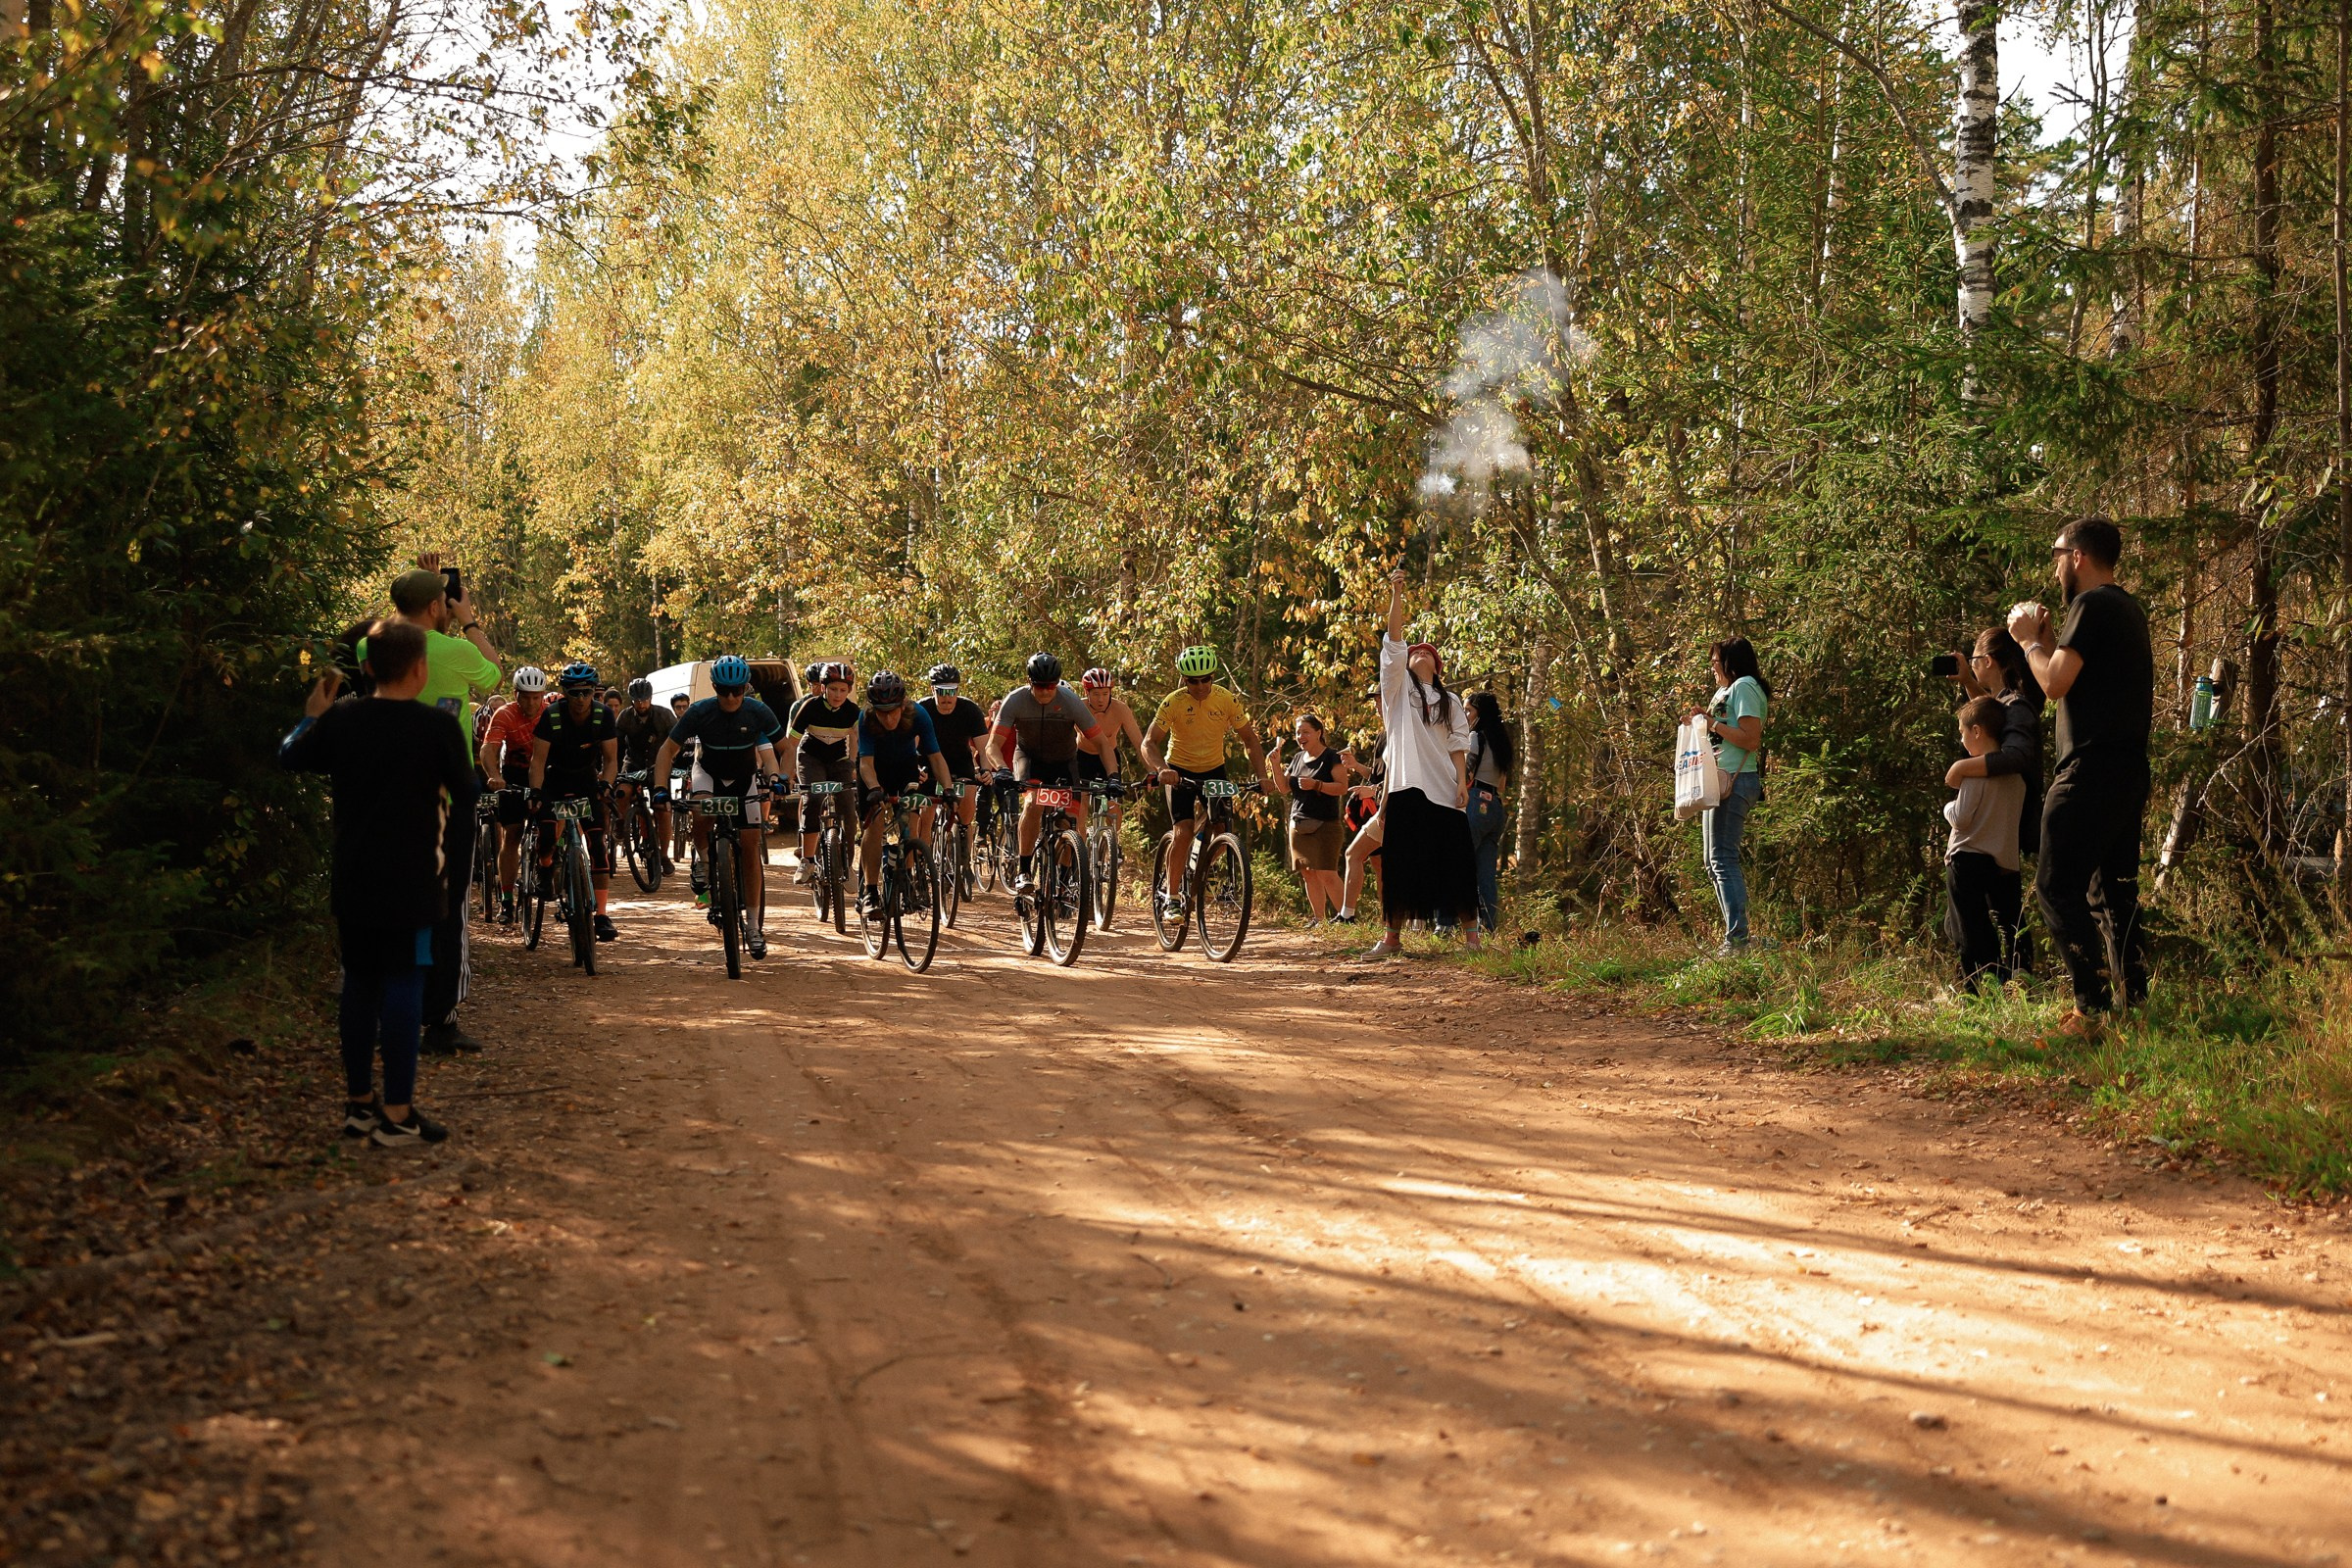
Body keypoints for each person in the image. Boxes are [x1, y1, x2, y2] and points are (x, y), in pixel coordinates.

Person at [279, 619, 473, 1147]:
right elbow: (467, 794)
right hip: (414, 880)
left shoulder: (341, 720)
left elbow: (289, 755)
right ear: (420, 668)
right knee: (405, 981)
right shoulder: (438, 728)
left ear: (365, 667)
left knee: (360, 983)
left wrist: (311, 715)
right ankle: (398, 1113)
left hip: (354, 878)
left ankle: (359, 1104)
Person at [2010, 515, 2154, 1025]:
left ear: (2078, 557)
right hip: (2126, 771)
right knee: (2113, 894)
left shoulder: (2091, 605)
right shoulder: (2128, 609)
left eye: (2057, 556)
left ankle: (2089, 1008)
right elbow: (2072, 676)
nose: (2054, 570)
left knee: (2056, 887)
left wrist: (2027, 642)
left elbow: (2053, 684)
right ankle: (2133, 1007)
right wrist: (2049, 643)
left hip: (2088, 770)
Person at [389, 561, 502, 1054]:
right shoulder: (456, 651)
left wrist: (420, 592)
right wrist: (468, 619)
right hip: (449, 801)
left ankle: (392, 1013)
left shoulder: (375, 647)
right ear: (439, 606)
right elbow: (494, 674)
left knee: (393, 904)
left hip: (391, 799)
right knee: (449, 906)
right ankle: (441, 1020)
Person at [1365, 572, 1480, 955]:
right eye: (1416, 651)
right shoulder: (1397, 691)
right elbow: (1394, 640)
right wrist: (1397, 593)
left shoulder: (1451, 700)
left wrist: (1462, 782)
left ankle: (1472, 940)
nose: (1421, 652)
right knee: (1400, 864)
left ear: (1437, 665)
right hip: (1405, 787)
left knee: (1456, 864)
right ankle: (1391, 939)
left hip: (1445, 790)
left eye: (1428, 652)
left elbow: (1458, 744)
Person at [654, 655, 784, 957]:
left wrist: (781, 778)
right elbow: (666, 751)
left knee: (750, 849)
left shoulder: (757, 711)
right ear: (714, 687)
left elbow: (783, 749)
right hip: (708, 774)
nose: (731, 697)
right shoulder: (699, 712)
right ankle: (703, 859)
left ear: (745, 688)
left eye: (737, 691)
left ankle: (753, 926)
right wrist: (660, 789)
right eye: (724, 691)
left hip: (743, 779)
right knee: (701, 808)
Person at [1141, 646, 1273, 920]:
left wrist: (1262, 776)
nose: (1200, 686)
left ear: (1213, 677)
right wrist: (1162, 769)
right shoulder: (1174, 702)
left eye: (1205, 679)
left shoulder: (1226, 699)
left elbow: (1250, 739)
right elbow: (1149, 743)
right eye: (1193, 681)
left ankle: (1198, 868)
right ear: (1184, 679)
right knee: (1183, 831)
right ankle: (1171, 898)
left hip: (1214, 770)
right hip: (1179, 770)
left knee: (1225, 834)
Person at [986, 653, 1106, 892]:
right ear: (1029, 682)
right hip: (1029, 759)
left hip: (1064, 762)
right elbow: (992, 745)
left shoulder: (1070, 701)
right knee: (1033, 804)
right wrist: (1002, 769)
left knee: (1070, 822)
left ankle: (1062, 881)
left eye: (1050, 686)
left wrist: (1112, 777)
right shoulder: (1015, 700)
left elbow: (1102, 742)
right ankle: (1024, 871)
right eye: (1040, 686)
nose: (1045, 691)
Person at [528, 662, 621, 942]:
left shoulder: (603, 715)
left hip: (586, 781)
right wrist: (535, 792)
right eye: (574, 692)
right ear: (565, 692)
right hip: (553, 780)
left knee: (598, 846)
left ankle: (601, 915)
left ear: (594, 691)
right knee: (547, 836)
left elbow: (611, 760)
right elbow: (537, 761)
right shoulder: (552, 716)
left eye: (587, 692)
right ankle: (545, 866)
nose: (581, 698)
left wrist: (606, 784)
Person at [855, 671, 954, 920]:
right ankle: (870, 892)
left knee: (912, 816)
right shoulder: (866, 718)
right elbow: (865, 763)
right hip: (874, 770)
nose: (888, 718)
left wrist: (949, 790)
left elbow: (936, 757)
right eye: (882, 712)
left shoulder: (918, 714)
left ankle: (908, 878)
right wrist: (875, 789)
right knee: (875, 821)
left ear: (903, 705)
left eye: (893, 711)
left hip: (905, 766)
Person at [1943, 695, 2027, 989]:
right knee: (1992, 925)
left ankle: (1975, 989)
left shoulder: (1973, 772)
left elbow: (1961, 818)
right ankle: (2004, 979)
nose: (1962, 741)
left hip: (1966, 858)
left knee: (1968, 928)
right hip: (1999, 862)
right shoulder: (2016, 778)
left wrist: (1947, 808)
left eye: (1963, 733)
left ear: (1977, 731)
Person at [1693, 636, 1769, 952]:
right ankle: (1737, 937)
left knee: (1722, 859)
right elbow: (1721, 728)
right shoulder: (1725, 690)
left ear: (1730, 662)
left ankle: (1737, 941)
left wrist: (1713, 724)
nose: (1712, 667)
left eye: (1716, 661)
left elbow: (1751, 739)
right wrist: (1701, 722)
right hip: (1718, 781)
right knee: (1712, 862)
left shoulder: (1745, 686)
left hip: (1736, 781)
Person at [478, 666, 550, 924]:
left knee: (551, 826)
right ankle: (507, 901)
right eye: (525, 697)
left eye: (536, 697)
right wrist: (493, 776)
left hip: (546, 774)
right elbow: (489, 749)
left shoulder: (551, 712)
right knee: (513, 834)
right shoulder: (505, 714)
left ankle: (552, 868)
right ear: (515, 694)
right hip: (514, 775)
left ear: (543, 695)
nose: (531, 703)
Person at [1266, 714, 1348, 923]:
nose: (1300, 736)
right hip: (1299, 824)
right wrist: (1275, 765)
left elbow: (1342, 787)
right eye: (1297, 732)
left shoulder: (1332, 756)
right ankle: (1319, 920)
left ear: (1319, 733)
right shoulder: (1297, 758)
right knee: (1308, 873)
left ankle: (1347, 919)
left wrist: (1317, 785)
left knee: (1326, 873)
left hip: (1326, 824)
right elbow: (1283, 788)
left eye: (1306, 732)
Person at [785, 662, 859, 888]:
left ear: (849, 691)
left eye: (843, 690)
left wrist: (855, 766)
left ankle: (847, 866)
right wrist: (786, 775)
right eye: (833, 689)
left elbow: (861, 740)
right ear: (823, 687)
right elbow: (791, 744)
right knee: (814, 798)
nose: (838, 695)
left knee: (848, 807)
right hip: (810, 758)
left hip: (838, 760)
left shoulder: (853, 712)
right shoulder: (810, 707)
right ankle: (807, 861)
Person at [919, 663, 991, 876]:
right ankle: (923, 860)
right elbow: (910, 745)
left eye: (951, 692)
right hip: (928, 763)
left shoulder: (970, 710)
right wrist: (915, 768)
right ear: (932, 690)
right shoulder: (922, 709)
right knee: (926, 812)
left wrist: (985, 770)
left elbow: (984, 749)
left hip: (960, 762)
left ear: (958, 691)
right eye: (941, 692)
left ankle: (964, 848)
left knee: (968, 796)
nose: (946, 698)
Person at [1079, 665, 1149, 847]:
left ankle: (1112, 847)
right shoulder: (1079, 707)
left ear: (1111, 692)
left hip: (1108, 760)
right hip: (1081, 758)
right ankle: (1080, 851)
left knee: (1112, 807)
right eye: (1095, 694)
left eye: (1105, 693)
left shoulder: (1120, 709)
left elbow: (1139, 743)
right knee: (1080, 808)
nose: (1101, 699)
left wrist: (1151, 771)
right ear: (1087, 693)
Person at [1464, 692, 1515, 933]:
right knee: (1486, 874)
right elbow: (1502, 785)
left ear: (1480, 713)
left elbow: (1465, 776)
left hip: (1475, 802)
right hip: (1495, 806)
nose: (1465, 715)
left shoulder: (1476, 737)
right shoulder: (1502, 742)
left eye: (1469, 710)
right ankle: (1488, 927)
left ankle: (1445, 924)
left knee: (1457, 863)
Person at [615, 676, 676, 870]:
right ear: (632, 700)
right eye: (637, 700)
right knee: (622, 792)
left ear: (651, 698)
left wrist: (672, 760)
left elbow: (678, 740)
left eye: (644, 700)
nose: (641, 704)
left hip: (658, 765)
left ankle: (664, 855)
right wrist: (614, 770)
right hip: (633, 763)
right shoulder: (624, 717)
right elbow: (616, 746)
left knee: (662, 809)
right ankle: (621, 822)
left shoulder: (664, 715)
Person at [1337, 734, 1382, 922]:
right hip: (1378, 810)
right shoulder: (1383, 736)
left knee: (1353, 854)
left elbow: (1405, 777)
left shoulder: (1405, 732)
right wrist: (1356, 765)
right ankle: (1388, 923)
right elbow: (1378, 775)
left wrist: (1373, 791)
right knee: (1379, 866)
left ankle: (1347, 915)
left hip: (1394, 809)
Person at [665, 691, 696, 863]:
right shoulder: (672, 725)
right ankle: (674, 820)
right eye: (678, 707)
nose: (682, 710)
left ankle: (693, 818)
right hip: (677, 766)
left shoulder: (696, 722)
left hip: (695, 765)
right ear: (673, 709)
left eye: (685, 707)